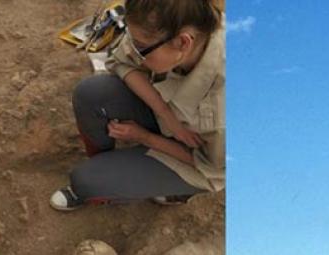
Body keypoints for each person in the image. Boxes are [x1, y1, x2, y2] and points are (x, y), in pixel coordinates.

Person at [51, 0, 225, 211]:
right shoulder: (169, 28)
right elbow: (122, 62)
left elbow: (212, 169)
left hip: (196, 159)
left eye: (140, 47)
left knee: (84, 182)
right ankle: (112, 165)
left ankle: (177, 191)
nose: (134, 49)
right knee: (90, 93)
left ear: (183, 43)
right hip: (172, 119)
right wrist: (167, 114)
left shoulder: (226, 105)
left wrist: (145, 137)